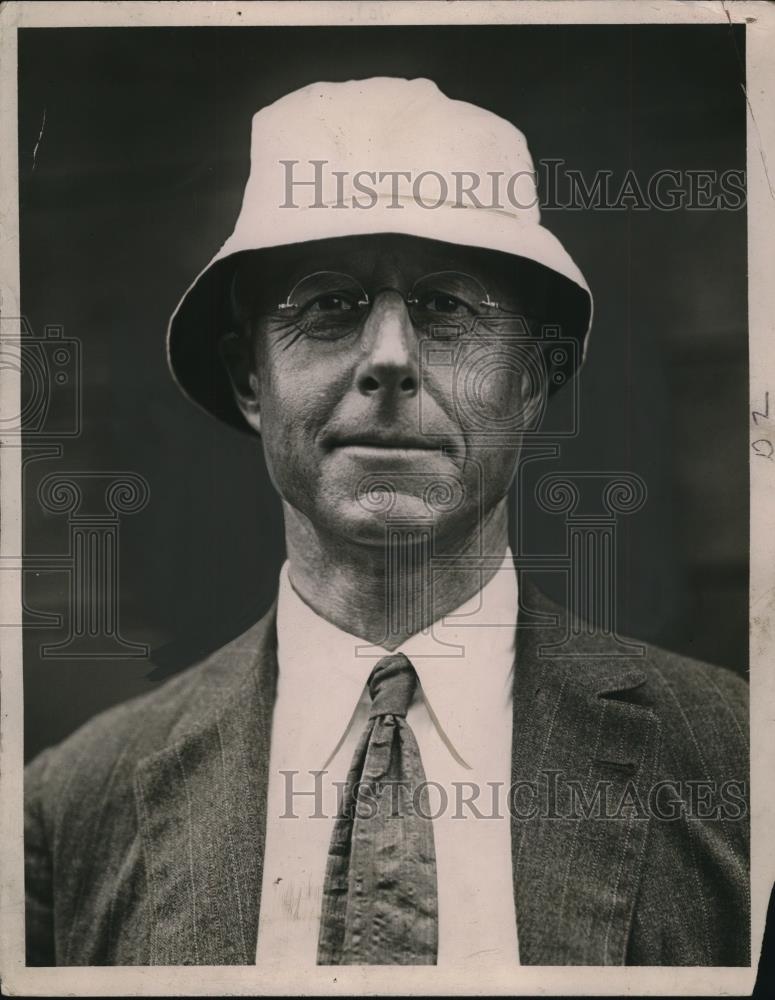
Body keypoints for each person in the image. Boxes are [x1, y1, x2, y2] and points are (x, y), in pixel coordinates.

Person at [24, 77, 749, 967]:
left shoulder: (740, 765)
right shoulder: (70, 808)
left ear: (528, 383)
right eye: (328, 306)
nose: (390, 359)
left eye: (449, 307)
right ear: (251, 380)